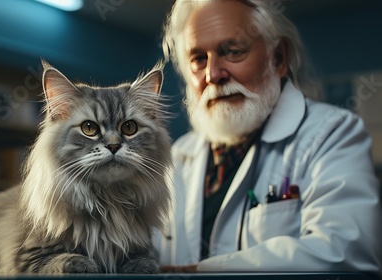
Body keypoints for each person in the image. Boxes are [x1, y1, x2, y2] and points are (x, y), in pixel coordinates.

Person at [153, 0, 381, 276]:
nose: (213, 75)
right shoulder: (178, 156)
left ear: (279, 58)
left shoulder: (333, 133)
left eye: (233, 51)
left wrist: (202, 271)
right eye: (198, 59)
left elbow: (344, 254)